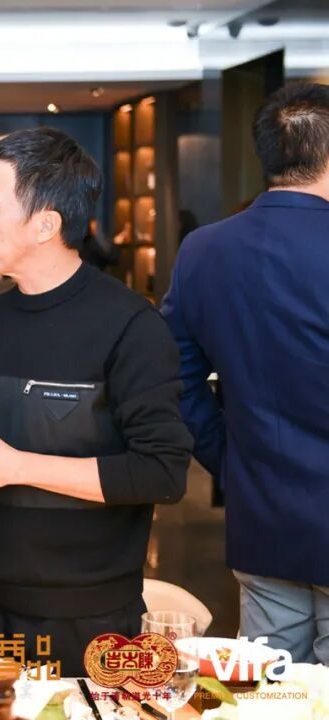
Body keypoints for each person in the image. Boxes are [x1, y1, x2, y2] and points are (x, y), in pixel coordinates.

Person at [0, 127, 192, 675]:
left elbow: (162, 472)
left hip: (90, 616)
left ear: (46, 224)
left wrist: (16, 466)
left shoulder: (130, 326)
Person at [161, 82, 329, 664]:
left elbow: (175, 379)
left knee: (269, 689)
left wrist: (231, 460)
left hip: (262, 513)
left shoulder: (204, 249)